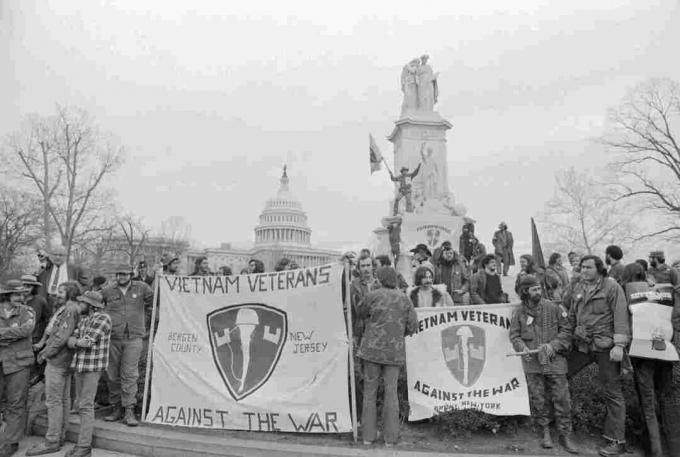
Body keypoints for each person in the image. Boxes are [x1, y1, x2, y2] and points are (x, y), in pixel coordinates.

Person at [564, 255, 630, 456]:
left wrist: (619, 345)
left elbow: (621, 317)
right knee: (560, 374)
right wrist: (570, 333)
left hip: (606, 346)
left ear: (599, 269)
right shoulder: (579, 287)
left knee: (612, 392)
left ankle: (617, 442)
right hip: (583, 345)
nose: (584, 271)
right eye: (582, 267)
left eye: (588, 267)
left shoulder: (612, 287)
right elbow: (572, 316)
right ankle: (561, 429)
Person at [509, 275, 577, 454]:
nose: (538, 292)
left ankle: (565, 435)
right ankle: (545, 432)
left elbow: (567, 330)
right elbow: (514, 335)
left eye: (539, 288)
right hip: (532, 363)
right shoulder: (518, 312)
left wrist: (553, 346)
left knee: (562, 398)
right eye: (534, 289)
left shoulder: (554, 308)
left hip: (555, 361)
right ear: (525, 292)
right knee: (539, 399)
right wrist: (521, 346)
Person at [620, 262, 677, 457]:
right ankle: (675, 449)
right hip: (664, 350)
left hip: (642, 352)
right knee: (667, 400)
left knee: (648, 402)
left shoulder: (626, 291)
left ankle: (655, 451)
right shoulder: (659, 289)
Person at [356, 267, 418, 447]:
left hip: (371, 351)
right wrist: (398, 335)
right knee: (391, 393)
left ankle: (368, 437)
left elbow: (360, 313)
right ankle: (390, 438)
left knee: (369, 392)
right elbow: (413, 325)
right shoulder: (405, 298)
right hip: (394, 352)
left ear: (380, 279)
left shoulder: (372, 295)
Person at [27, 281, 81, 456]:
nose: (57, 294)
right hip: (63, 361)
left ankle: (51, 441)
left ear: (70, 293)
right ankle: (60, 437)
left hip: (58, 361)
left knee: (54, 401)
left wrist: (45, 353)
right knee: (63, 400)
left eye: (61, 291)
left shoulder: (70, 310)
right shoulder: (67, 308)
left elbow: (61, 337)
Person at [102, 264, 153, 426]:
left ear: (131, 275)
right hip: (113, 337)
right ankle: (116, 408)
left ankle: (129, 410)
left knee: (130, 374)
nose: (122, 277)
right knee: (112, 374)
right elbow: (94, 302)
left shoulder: (142, 288)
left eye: (125, 274)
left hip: (134, 337)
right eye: (119, 274)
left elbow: (158, 298)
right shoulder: (108, 290)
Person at [67, 291, 112, 457]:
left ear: (91, 305)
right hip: (80, 367)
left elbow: (86, 341)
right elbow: (72, 339)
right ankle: (82, 444)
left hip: (92, 368)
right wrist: (75, 341)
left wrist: (75, 341)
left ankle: (84, 446)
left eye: (83, 303)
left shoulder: (103, 318)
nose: (80, 305)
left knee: (86, 405)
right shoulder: (85, 319)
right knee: (81, 405)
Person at [0, 280, 36, 457]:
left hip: (19, 363)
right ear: (7, 295)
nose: (20, 297)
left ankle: (11, 442)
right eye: (16, 294)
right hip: (1, 361)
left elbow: (26, 331)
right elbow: (18, 332)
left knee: (16, 402)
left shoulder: (28, 311)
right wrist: (11, 334)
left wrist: (2, 334)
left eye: (22, 294)